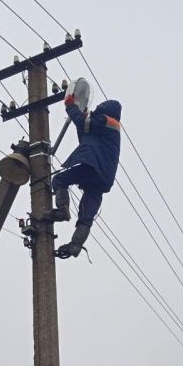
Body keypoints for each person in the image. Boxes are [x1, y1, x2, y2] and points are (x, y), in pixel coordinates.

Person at [45, 94, 122, 258]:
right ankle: (75, 245)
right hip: (103, 178)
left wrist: (71, 107)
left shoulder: (106, 120)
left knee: (59, 180)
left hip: (94, 168)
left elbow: (83, 124)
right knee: (87, 214)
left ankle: (62, 210)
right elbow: (84, 136)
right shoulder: (110, 128)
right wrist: (82, 116)